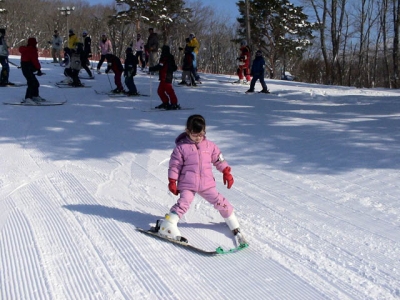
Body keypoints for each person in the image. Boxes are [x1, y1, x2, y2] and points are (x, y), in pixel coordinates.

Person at [156, 114, 247, 246]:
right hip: (188, 183)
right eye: (195, 134)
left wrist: (226, 172)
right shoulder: (181, 148)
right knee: (184, 203)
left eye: (201, 133)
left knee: (221, 202)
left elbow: (218, 159)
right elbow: (175, 166)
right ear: (188, 131)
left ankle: (233, 224)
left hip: (206, 184)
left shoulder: (210, 146)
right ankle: (168, 224)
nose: (199, 137)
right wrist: (172, 181)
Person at [149, 45, 179, 110]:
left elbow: (160, 66)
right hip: (163, 77)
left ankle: (174, 103)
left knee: (170, 91)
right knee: (160, 91)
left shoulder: (167, 58)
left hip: (166, 77)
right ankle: (165, 102)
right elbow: (174, 67)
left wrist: (152, 68)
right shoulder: (166, 57)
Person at [19, 37, 45, 104]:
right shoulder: (32, 50)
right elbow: (35, 60)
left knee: (35, 82)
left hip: (25, 68)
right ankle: (28, 98)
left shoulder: (26, 49)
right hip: (28, 68)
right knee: (31, 83)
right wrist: (38, 69)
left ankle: (35, 96)